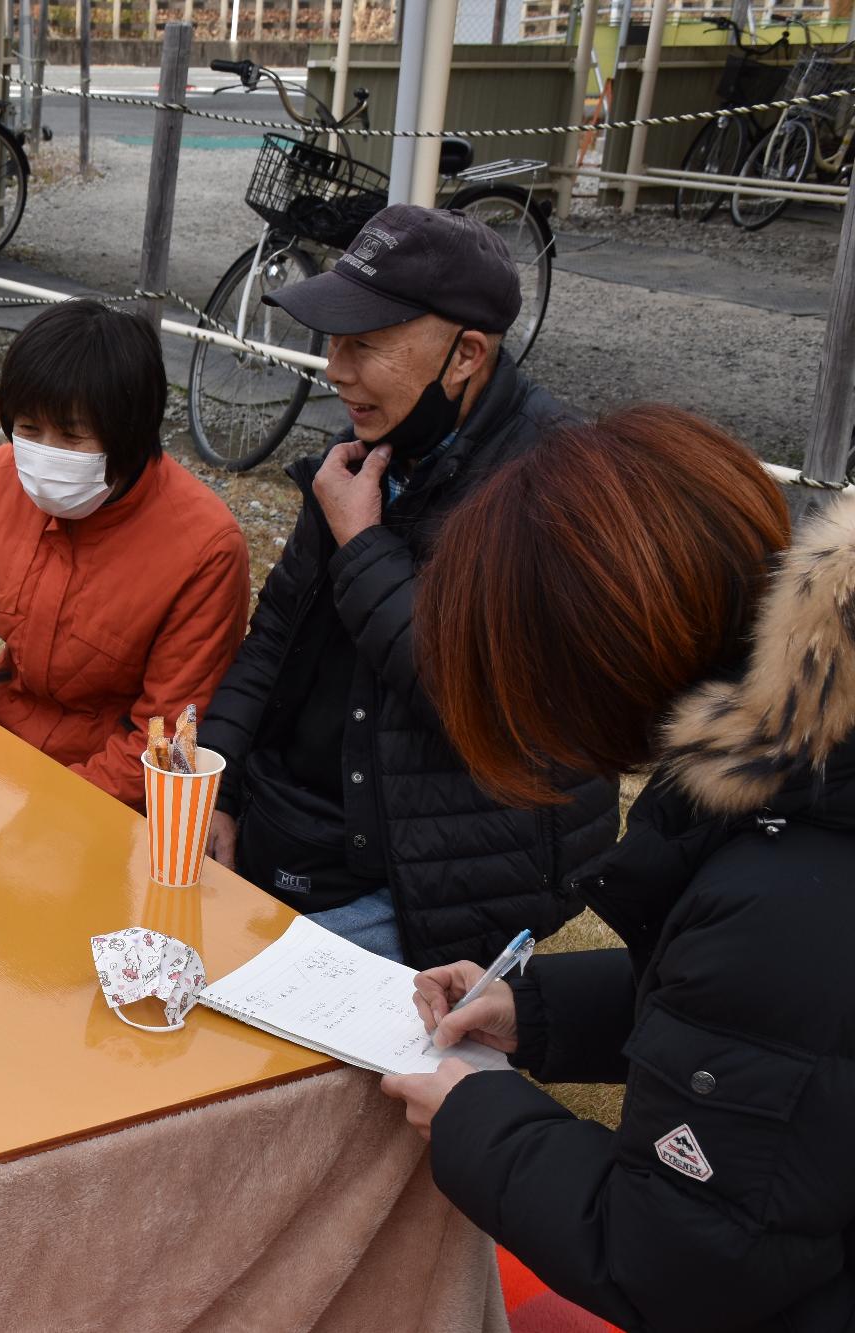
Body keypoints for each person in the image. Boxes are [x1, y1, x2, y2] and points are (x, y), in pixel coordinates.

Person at [377, 408, 855, 1331]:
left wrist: (477, 1117)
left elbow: (675, 1257)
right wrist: (537, 1012)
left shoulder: (787, 884)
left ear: (596, 672)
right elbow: (783, 1036)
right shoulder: (799, 765)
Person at [198, 204, 616, 966]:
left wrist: (362, 544)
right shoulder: (375, 442)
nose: (334, 368)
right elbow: (278, 632)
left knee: (235, 1019)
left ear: (465, 355)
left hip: (436, 877)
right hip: (302, 828)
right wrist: (216, 782)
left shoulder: (559, 486)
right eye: (332, 340)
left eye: (366, 344)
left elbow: (485, 697)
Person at [0, 299, 250, 811]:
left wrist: (43, 810)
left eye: (70, 435)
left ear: (128, 434)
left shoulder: (206, 547)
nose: (44, 453)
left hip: (108, 795)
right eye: (28, 429)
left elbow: (165, 741)